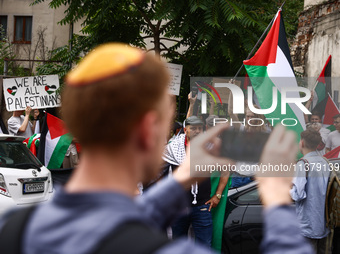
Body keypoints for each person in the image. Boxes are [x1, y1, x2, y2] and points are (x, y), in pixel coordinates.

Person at [0, 43, 313, 254]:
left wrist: (181, 181)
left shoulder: (17, 228)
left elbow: (111, 224)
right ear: (148, 130)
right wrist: (277, 198)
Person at [163, 115, 229, 247]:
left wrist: (217, 195)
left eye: (200, 128)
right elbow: (161, 175)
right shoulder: (173, 148)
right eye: (193, 128)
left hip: (202, 206)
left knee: (204, 245)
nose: (197, 131)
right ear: (185, 130)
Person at [290, 129, 330, 254]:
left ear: (301, 143)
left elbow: (298, 195)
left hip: (307, 224)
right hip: (324, 224)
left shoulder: (303, 164)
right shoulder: (325, 162)